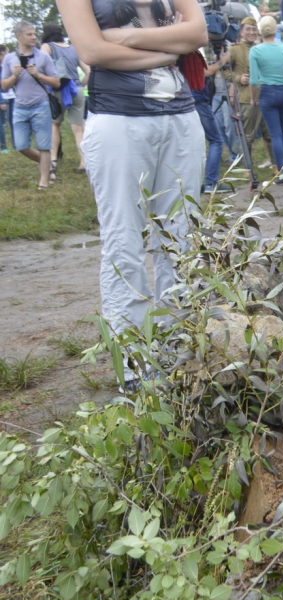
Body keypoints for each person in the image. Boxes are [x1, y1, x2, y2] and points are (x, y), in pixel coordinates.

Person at [55, 0, 207, 387]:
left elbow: (197, 34)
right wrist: (169, 49)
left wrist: (126, 38)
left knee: (181, 238)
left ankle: (180, 351)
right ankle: (137, 364)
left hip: (181, 117)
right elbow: (91, 51)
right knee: (124, 241)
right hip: (118, 122)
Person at [1, 21, 61, 190]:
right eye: (29, 34)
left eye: (34, 34)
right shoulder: (9, 59)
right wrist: (14, 76)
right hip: (20, 107)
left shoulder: (43, 56)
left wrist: (39, 75)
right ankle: (48, 165)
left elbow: (56, 82)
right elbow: (4, 86)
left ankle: (43, 181)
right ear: (18, 36)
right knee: (21, 146)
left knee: (44, 145)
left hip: (40, 105)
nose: (34, 37)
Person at [251, 15, 283, 183]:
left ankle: (282, 173)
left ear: (260, 31)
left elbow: (253, 81)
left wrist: (253, 98)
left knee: (275, 135)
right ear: (276, 30)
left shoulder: (255, 51)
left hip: (267, 94)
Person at [226, 16, 275, 174]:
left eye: (254, 29)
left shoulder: (261, 47)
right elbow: (224, 71)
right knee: (248, 136)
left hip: (265, 95)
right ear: (241, 32)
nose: (251, 32)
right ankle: (248, 167)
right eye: (248, 29)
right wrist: (239, 78)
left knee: (269, 134)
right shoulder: (234, 49)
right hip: (246, 98)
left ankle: (275, 164)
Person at [40, 23, 89, 176]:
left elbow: (41, 65)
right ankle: (84, 162)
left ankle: (53, 160)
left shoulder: (47, 47)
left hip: (58, 90)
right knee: (78, 128)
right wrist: (80, 84)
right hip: (77, 89)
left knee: (54, 125)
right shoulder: (73, 48)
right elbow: (89, 71)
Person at [193, 48, 231, 193]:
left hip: (186, 100)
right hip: (198, 100)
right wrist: (223, 61)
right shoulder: (192, 50)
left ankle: (194, 183)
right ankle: (211, 182)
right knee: (216, 140)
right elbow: (206, 71)